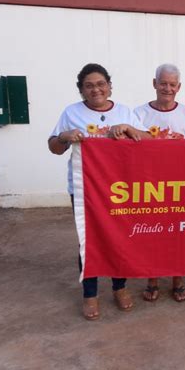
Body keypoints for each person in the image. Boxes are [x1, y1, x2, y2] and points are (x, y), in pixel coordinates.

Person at [48, 63, 147, 321]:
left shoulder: (125, 111)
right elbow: (54, 147)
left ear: (110, 86)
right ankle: (90, 294)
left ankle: (119, 287)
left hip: (120, 190)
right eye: (89, 86)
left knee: (119, 238)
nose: (96, 89)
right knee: (88, 242)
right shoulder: (71, 112)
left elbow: (146, 141)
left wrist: (128, 129)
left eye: (101, 84)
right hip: (85, 190)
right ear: (81, 90)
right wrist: (64, 136)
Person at [134, 63, 185, 303]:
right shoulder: (138, 114)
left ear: (179, 87)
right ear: (154, 84)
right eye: (163, 83)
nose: (167, 88)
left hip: (179, 185)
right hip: (149, 185)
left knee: (178, 234)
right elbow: (131, 147)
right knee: (152, 234)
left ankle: (178, 280)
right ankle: (152, 279)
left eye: (172, 84)